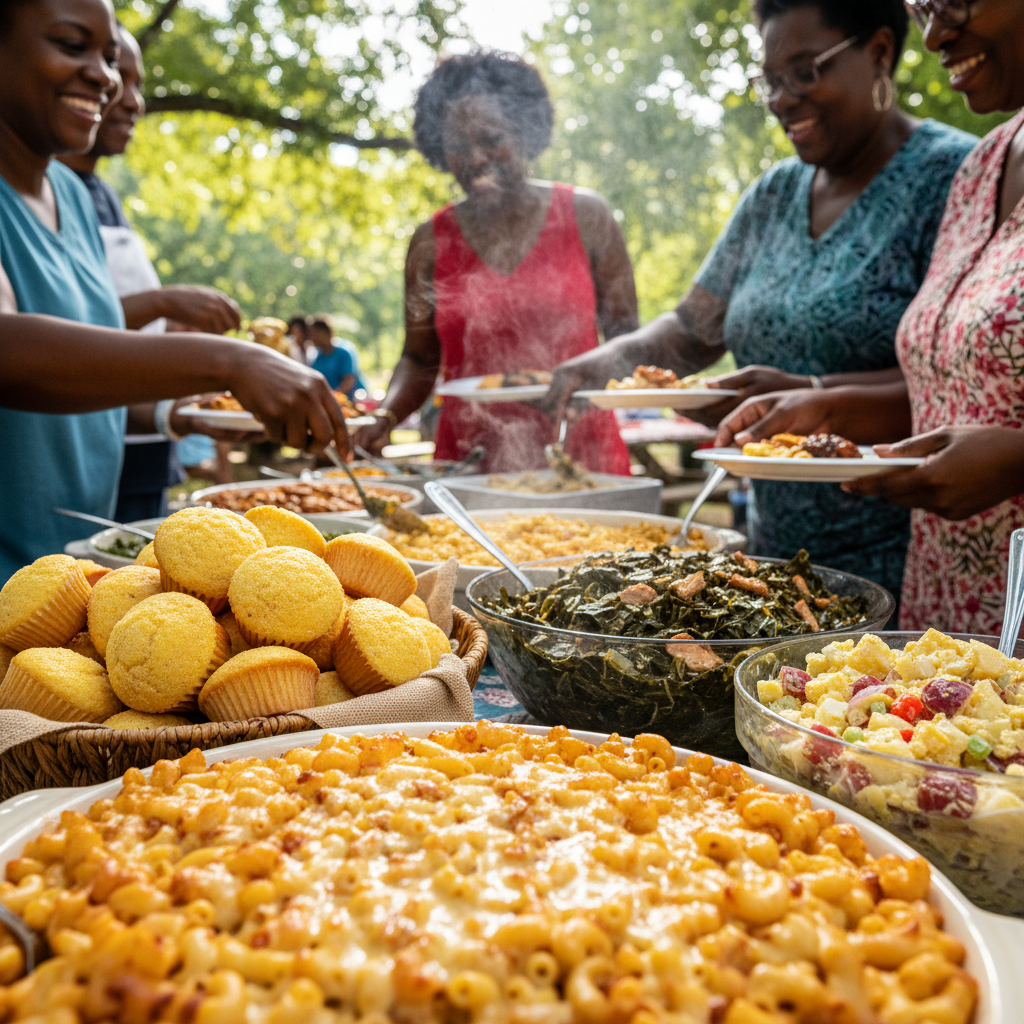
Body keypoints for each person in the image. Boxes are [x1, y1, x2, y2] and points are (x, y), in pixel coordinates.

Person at [545, 0, 976, 606]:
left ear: (879, 51)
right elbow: (692, 330)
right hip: (775, 560)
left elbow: (967, 385)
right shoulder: (773, 194)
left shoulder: (958, 176)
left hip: (912, 558)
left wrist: (814, 391)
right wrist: (606, 363)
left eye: (804, 72)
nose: (780, 99)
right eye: (769, 80)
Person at [0, 0, 348, 582]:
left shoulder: (74, 196)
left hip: (70, 571)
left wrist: (179, 413)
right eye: (71, 44)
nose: (104, 76)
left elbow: (81, 375)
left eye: (109, 56)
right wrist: (230, 361)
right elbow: (10, 355)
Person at [716, 0, 1024, 637]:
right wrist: (826, 407)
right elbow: (954, 385)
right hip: (953, 611)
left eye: (955, 2)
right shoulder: (985, 166)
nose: (934, 33)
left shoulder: (939, 167)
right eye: (926, 6)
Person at [354, 51, 639, 474]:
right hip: (469, 460)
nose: (474, 159)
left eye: (491, 139)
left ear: (526, 132)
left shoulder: (587, 216)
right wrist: (385, 417)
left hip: (581, 454)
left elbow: (628, 337)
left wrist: (597, 380)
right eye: (456, 146)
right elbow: (418, 359)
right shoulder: (429, 243)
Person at [57, 24, 245, 519]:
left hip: (131, 445)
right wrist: (218, 353)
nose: (130, 99)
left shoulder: (91, 196)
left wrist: (176, 413)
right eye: (123, 76)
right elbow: (66, 344)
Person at [307, 317, 368, 398]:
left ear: (323, 333)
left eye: (313, 334)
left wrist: (333, 397)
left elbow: (349, 381)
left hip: (346, 401)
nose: (311, 338)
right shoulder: (318, 356)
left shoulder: (344, 352)